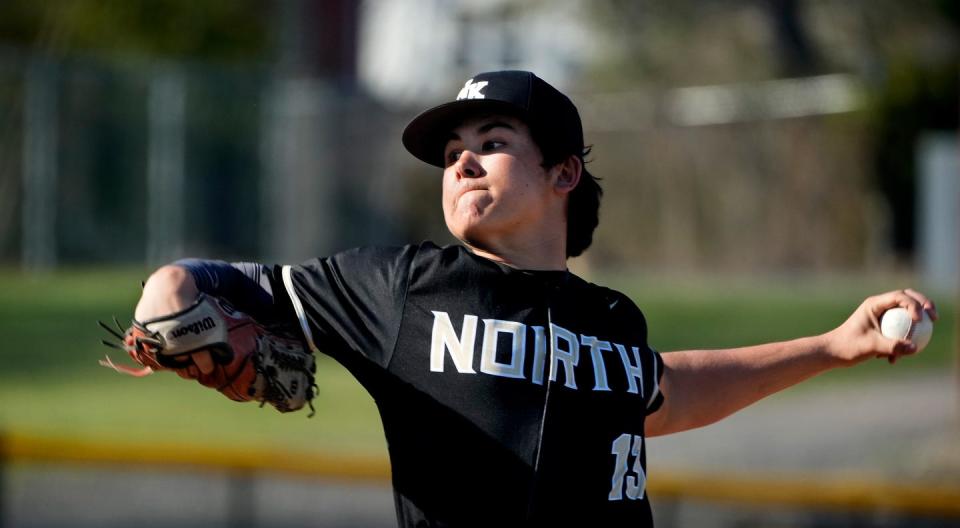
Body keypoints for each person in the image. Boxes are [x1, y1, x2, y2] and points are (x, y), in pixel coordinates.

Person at [129, 70, 937, 526]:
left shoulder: (614, 318)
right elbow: (223, 284)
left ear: (562, 174)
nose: (463, 163)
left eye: (492, 144)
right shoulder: (399, 288)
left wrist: (837, 345)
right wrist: (170, 298)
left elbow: (668, 391)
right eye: (452, 153)